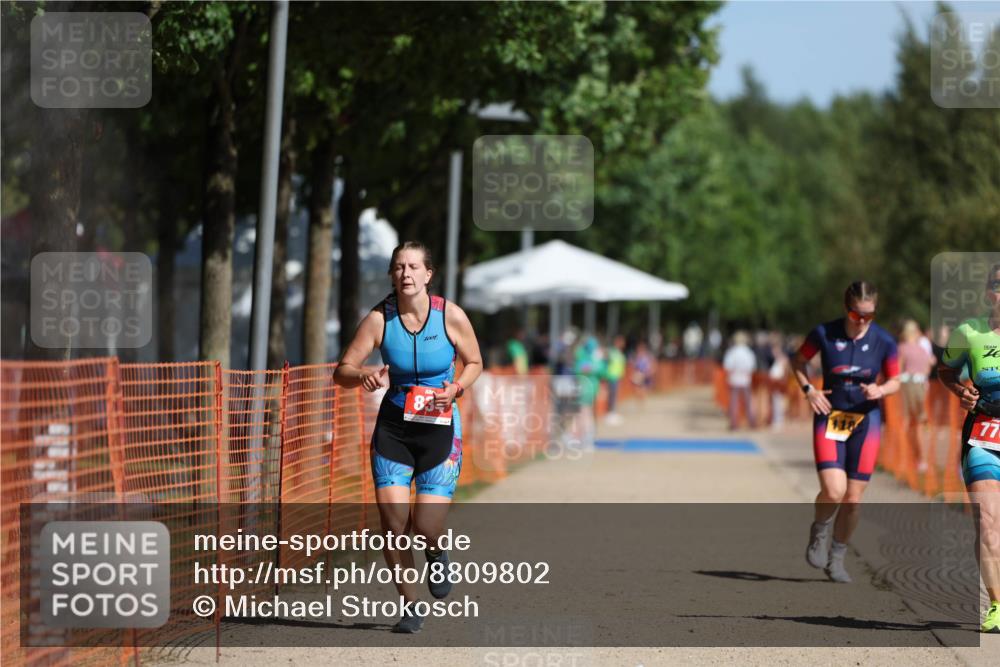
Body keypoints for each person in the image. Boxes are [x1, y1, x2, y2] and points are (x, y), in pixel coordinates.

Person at [333, 241, 482, 634]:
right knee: (393, 523)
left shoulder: (450, 315)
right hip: (395, 428)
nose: (406, 274)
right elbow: (342, 369)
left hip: (439, 425)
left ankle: (435, 550)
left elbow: (475, 362)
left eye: (414, 266)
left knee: (425, 525)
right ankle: (411, 604)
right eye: (399, 267)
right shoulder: (379, 320)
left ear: (428, 274)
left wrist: (457, 389)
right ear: (392, 274)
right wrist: (361, 374)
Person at [792, 281, 900, 583]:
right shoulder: (824, 334)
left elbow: (896, 380)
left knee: (853, 498)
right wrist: (809, 389)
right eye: (857, 316)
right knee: (833, 490)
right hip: (831, 416)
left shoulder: (884, 341)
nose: (863, 321)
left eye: (869, 315)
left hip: (866, 420)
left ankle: (837, 558)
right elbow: (798, 360)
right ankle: (820, 530)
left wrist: (880, 388)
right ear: (846, 310)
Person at [937, 263, 1000, 633]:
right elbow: (945, 371)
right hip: (983, 437)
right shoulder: (968, 332)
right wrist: (961, 390)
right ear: (988, 293)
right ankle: (997, 602)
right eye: (997, 285)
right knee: (988, 522)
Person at [898, 319, 935, 472]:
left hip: (907, 386)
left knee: (905, 422)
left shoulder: (902, 348)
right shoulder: (922, 350)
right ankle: (923, 460)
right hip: (921, 386)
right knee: (921, 423)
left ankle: (904, 457)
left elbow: (898, 369)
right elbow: (928, 368)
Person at [722, 331, 757, 430]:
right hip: (745, 379)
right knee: (748, 402)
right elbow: (752, 367)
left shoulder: (732, 352)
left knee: (734, 402)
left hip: (734, 379)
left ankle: (734, 423)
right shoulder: (749, 352)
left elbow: (727, 366)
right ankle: (752, 421)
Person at [603, 335, 627, 424]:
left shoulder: (620, 353)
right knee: (612, 395)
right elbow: (605, 363)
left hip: (617, 377)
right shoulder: (612, 352)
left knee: (614, 396)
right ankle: (610, 413)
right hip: (611, 377)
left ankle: (612, 412)